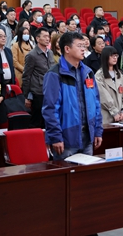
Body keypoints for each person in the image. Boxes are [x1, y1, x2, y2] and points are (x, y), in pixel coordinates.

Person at [43, 32, 103, 160]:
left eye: (84, 46)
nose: (83, 49)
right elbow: (50, 109)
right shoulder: (55, 74)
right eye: (79, 46)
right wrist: (56, 136)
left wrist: (98, 130)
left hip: (88, 136)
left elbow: (96, 103)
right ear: (67, 49)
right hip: (66, 139)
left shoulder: (88, 72)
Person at [22, 27, 55, 128]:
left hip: (50, 90)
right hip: (38, 91)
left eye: (48, 36)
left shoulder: (50, 53)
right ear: (37, 38)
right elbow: (26, 76)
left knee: (49, 119)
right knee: (37, 120)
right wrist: (27, 96)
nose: (47, 39)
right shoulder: (32, 55)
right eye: (44, 36)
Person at [95, 46, 123, 124]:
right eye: (112, 56)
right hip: (107, 116)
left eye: (116, 55)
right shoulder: (99, 76)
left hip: (121, 116)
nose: (115, 58)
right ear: (105, 57)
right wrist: (114, 111)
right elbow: (103, 96)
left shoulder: (120, 74)